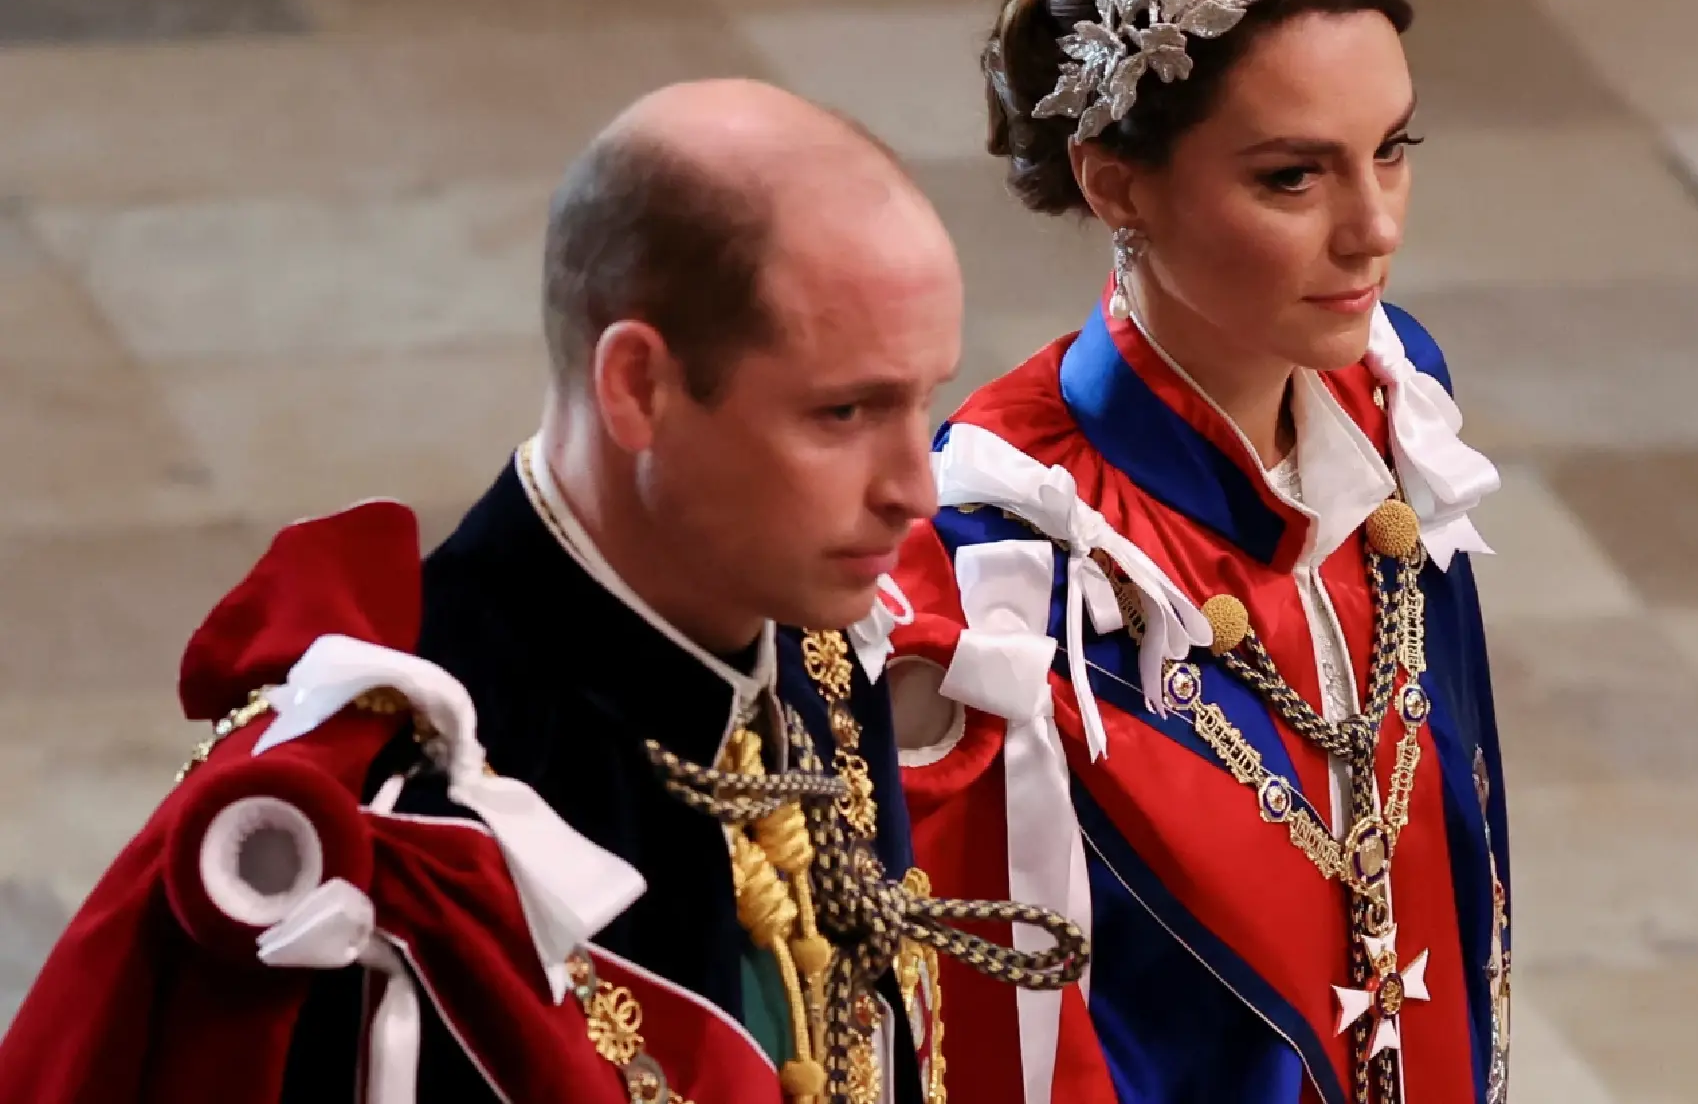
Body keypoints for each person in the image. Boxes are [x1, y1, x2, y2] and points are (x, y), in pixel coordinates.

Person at [0, 80, 1085, 1104]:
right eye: (842, 415)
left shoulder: (811, 651)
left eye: (923, 401)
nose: (912, 487)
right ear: (638, 388)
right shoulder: (401, 844)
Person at [886, 0, 1511, 1104]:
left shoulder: (1396, 405)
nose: (1374, 228)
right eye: (1293, 178)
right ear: (1117, 184)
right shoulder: (1001, 561)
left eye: (1392, 149)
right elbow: (992, 1040)